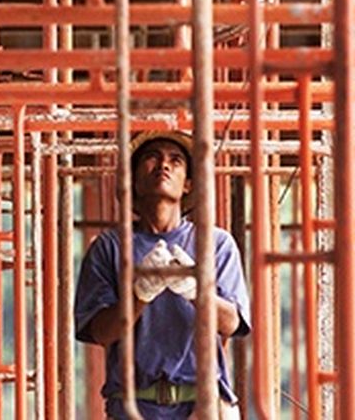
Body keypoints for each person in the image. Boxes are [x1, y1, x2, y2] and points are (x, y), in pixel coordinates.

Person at [74, 131, 250, 419]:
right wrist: (140, 293)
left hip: (203, 404)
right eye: (151, 158)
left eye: (176, 160)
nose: (163, 165)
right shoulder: (110, 247)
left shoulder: (216, 244)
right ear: (134, 183)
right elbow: (101, 331)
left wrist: (196, 290)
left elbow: (230, 323)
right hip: (132, 405)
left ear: (188, 184)